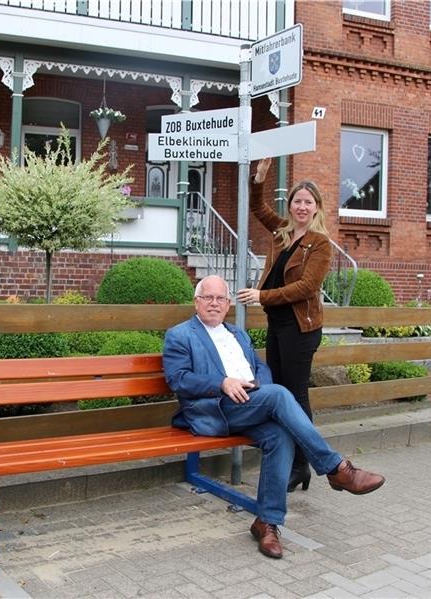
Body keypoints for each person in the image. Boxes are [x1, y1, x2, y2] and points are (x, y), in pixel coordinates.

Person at [163, 275, 384, 559]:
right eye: (208, 297)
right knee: (279, 395)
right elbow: (178, 380)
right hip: (215, 409)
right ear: (197, 301)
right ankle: (336, 469)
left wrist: (260, 389)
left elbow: (259, 367)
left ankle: (267, 523)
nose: (214, 304)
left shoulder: (238, 334)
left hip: (251, 402)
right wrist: (222, 382)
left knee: (280, 436)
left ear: (228, 303)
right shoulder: (180, 335)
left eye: (220, 298)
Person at [236, 158, 332, 494]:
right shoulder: (282, 232)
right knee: (278, 393)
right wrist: (258, 179)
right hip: (278, 325)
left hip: (300, 329)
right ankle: (291, 463)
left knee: (295, 395)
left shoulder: (319, 243)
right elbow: (257, 207)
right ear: (290, 205)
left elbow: (306, 287)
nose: (302, 206)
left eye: (308, 202)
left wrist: (262, 295)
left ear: (316, 207)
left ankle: (301, 465)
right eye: (297, 201)